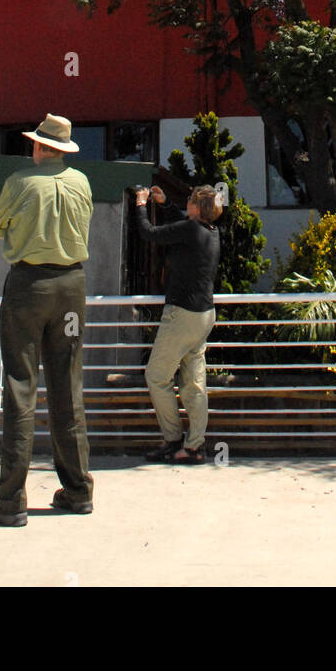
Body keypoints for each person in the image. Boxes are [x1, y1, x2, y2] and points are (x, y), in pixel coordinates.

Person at [0, 114, 94, 526]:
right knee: (68, 383)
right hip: (72, 285)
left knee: (20, 385)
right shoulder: (81, 182)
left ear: (40, 146)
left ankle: (11, 499)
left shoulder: (21, 181)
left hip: (29, 284)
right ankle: (78, 490)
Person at [134, 183, 222, 464]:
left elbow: (149, 233)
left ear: (196, 206)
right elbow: (182, 226)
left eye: (190, 202)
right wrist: (164, 203)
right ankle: (194, 446)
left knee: (157, 377)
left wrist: (141, 204)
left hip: (182, 314)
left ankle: (172, 441)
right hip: (204, 315)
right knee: (193, 383)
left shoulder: (189, 230)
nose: (187, 205)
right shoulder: (211, 232)